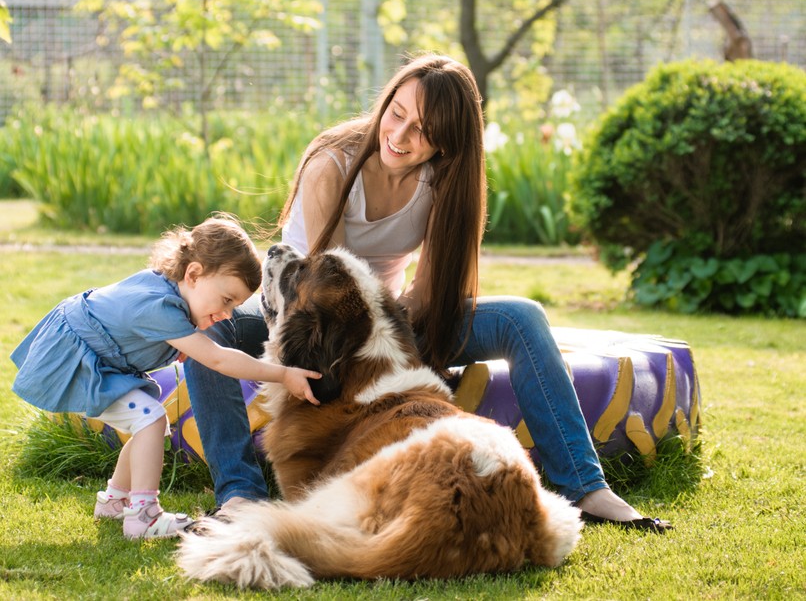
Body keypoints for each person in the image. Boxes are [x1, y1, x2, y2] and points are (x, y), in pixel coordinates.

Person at [185, 54, 671, 531]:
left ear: (448, 140)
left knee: (521, 317)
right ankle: (240, 496)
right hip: (303, 312)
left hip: (389, 319)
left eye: (423, 130)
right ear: (386, 102)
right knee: (210, 342)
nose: (400, 136)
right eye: (397, 113)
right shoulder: (331, 164)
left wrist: (396, 343)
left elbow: (429, 290)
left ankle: (586, 488)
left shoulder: (444, 180)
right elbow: (327, 290)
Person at [10, 215, 321, 540]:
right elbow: (217, 358)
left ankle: (115, 501)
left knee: (150, 421)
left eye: (236, 305)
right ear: (194, 274)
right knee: (150, 419)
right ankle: (144, 515)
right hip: (78, 361)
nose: (228, 314)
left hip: (98, 359)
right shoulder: (160, 307)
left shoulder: (170, 291)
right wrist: (283, 373)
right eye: (226, 300)